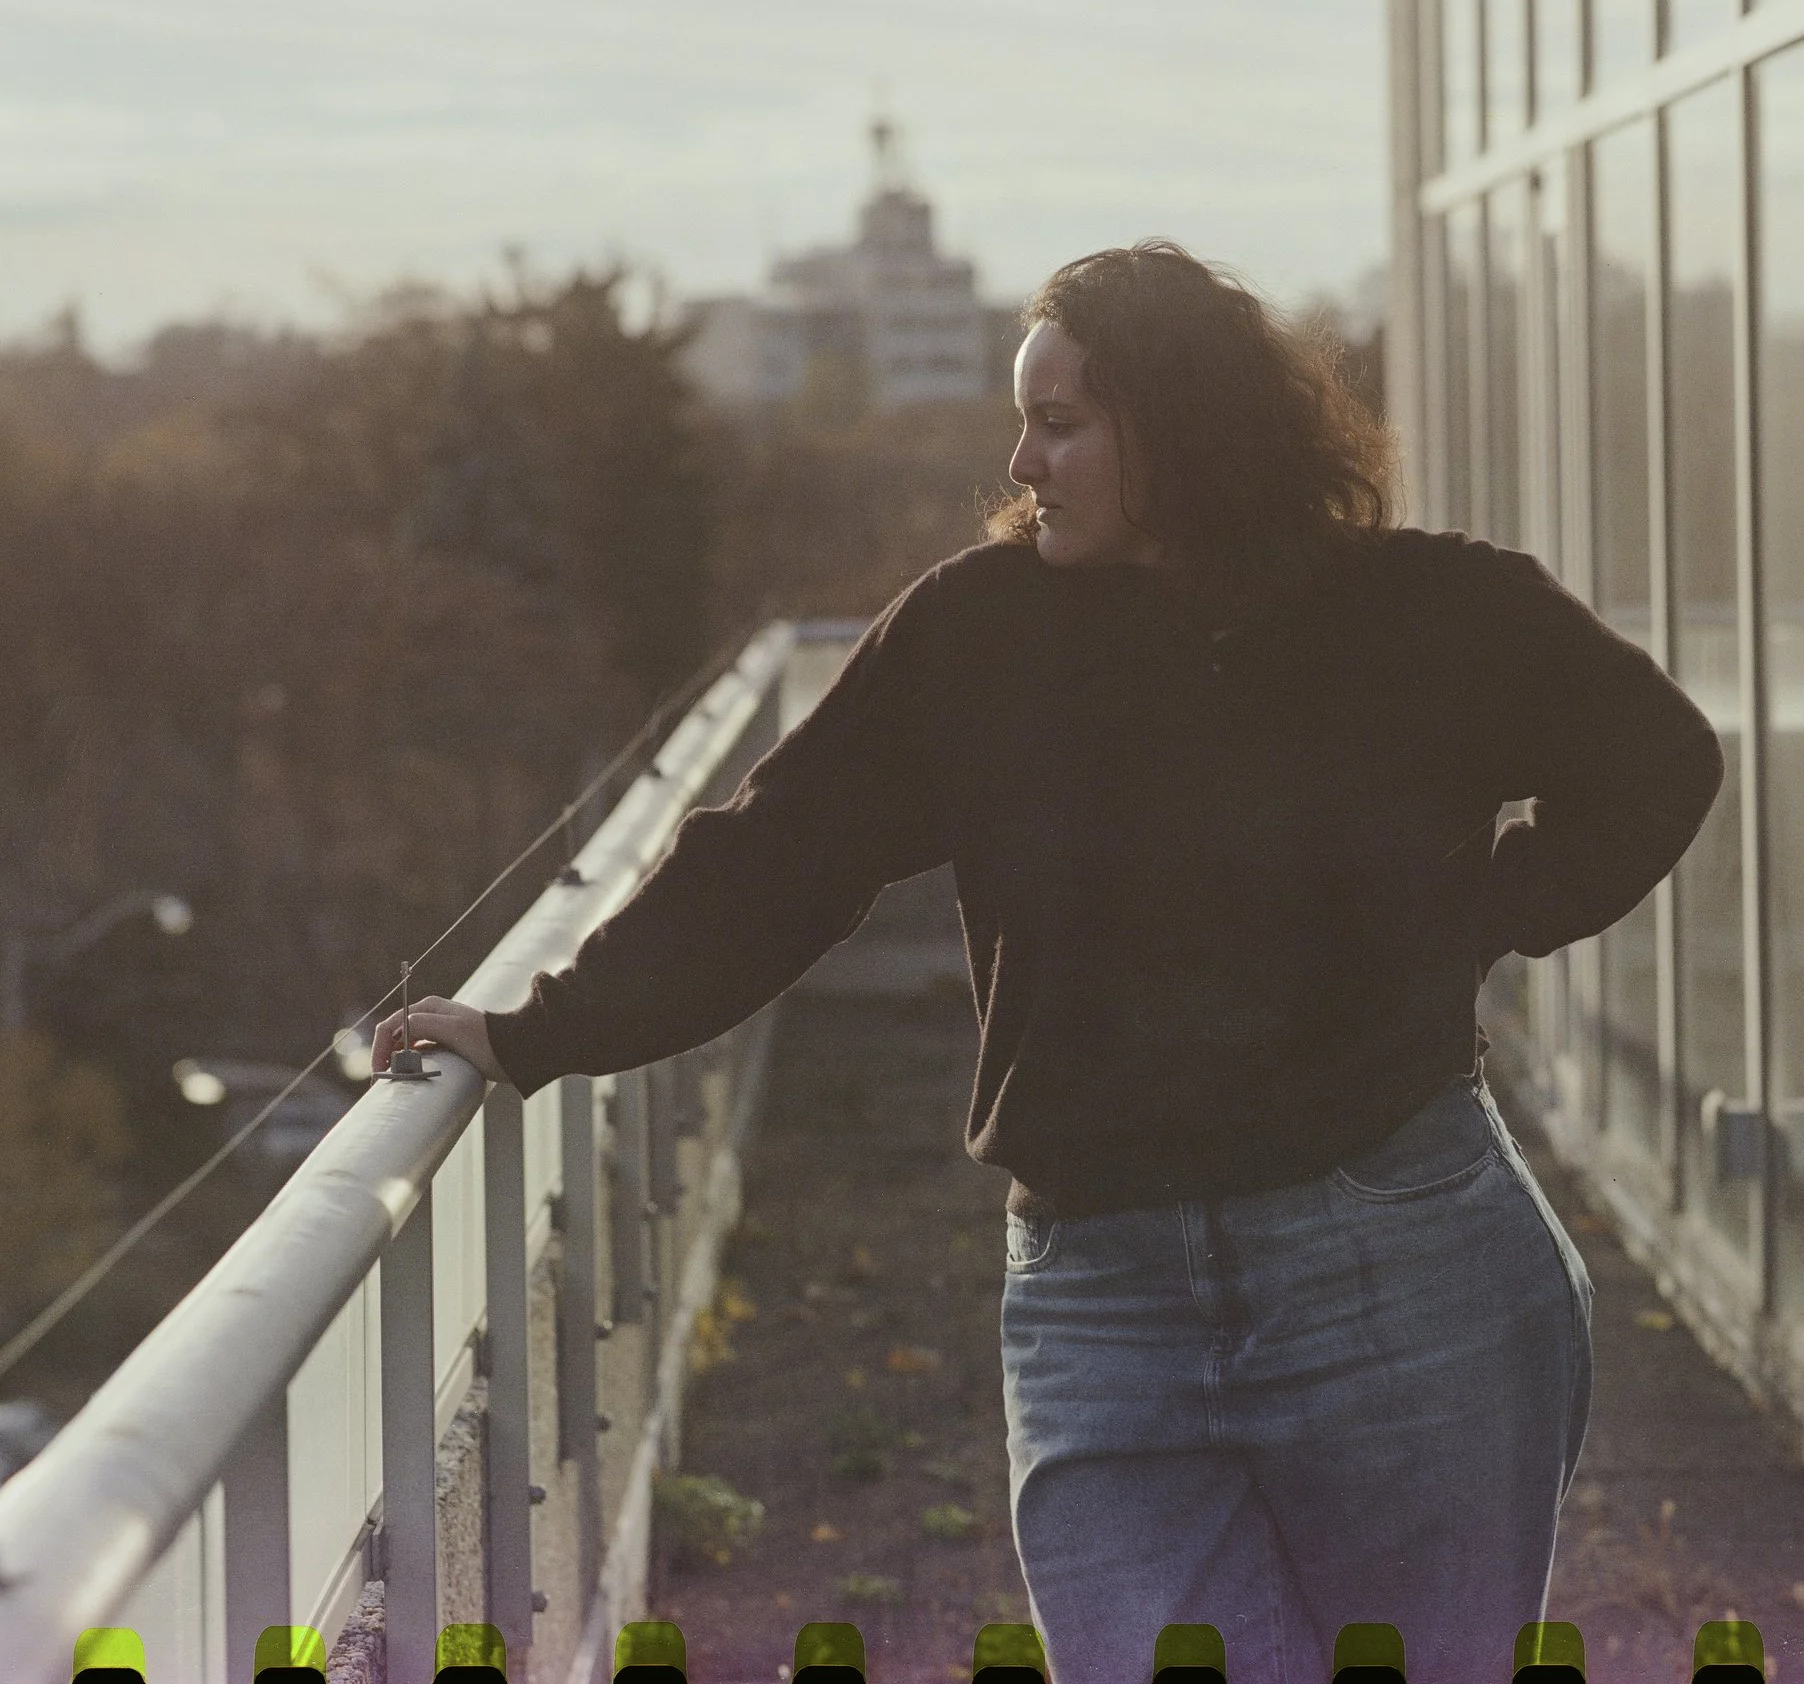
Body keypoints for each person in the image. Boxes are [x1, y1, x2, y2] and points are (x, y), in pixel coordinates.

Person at [376, 240, 1724, 1684]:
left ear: (1186, 429)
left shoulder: (1431, 610)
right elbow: (777, 857)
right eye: (1025, 422)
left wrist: (1482, 915)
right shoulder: (977, 634)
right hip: (1104, 1299)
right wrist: (535, 1033)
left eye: (1063, 423)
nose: (1023, 460)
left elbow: (1657, 763)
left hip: (1402, 1272)